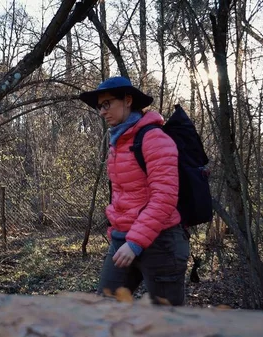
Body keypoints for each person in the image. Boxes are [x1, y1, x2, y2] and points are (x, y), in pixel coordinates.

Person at [79, 76, 190, 305]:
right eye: (100, 106)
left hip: (162, 243)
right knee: (104, 310)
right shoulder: (118, 142)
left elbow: (165, 197)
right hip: (124, 240)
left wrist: (136, 242)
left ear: (127, 100)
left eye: (106, 104)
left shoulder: (154, 139)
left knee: (167, 323)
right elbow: (124, 194)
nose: (102, 111)